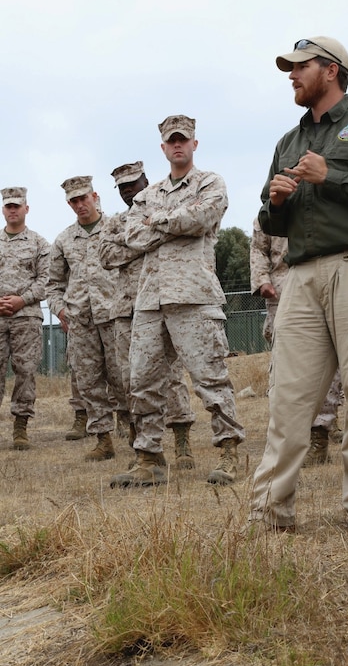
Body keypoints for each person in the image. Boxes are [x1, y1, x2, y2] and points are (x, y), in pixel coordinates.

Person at [249, 36, 348, 534]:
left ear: (332, 70)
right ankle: (270, 509)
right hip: (301, 274)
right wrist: (274, 204)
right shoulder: (287, 143)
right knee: (287, 396)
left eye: (301, 67)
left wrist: (330, 174)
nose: (291, 76)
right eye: (289, 69)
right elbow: (272, 224)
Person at [109, 115, 245, 488]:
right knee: (143, 381)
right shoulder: (146, 195)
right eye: (171, 141)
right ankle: (149, 457)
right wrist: (169, 223)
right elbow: (132, 235)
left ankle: (229, 451)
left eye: (183, 139)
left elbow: (201, 217)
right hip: (150, 301)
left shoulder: (210, 183)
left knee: (210, 379)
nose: (178, 145)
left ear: (194, 144)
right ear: (163, 148)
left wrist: (159, 222)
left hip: (194, 297)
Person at [98, 160, 197, 469]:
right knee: (132, 379)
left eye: (134, 183)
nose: (130, 191)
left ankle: (182, 441)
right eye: (123, 188)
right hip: (127, 310)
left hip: (162, 301)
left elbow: (180, 237)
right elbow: (106, 256)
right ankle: (146, 446)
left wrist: (141, 237)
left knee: (171, 376)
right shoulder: (115, 222)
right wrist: (147, 240)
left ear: (146, 180)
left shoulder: (164, 209)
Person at [250, 217, 344, 465]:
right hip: (281, 292)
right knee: (286, 371)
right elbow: (259, 247)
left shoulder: (328, 192)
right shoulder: (274, 206)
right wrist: (262, 280)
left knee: (329, 369)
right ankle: (290, 437)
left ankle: (320, 434)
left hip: (325, 285)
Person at [47, 176, 128, 461]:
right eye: (74, 201)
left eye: (84, 198)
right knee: (89, 382)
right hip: (80, 321)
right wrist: (60, 310)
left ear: (95, 196)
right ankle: (103, 439)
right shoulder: (64, 240)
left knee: (122, 378)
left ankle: (132, 432)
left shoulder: (117, 227)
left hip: (115, 317)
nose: (80, 205)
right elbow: (53, 283)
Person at [0, 187, 50, 450]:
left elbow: (47, 279)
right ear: (3, 209)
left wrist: (22, 299)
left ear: (26, 209)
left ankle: (20, 427)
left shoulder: (39, 244)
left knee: (25, 372)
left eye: (17, 205)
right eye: (8, 206)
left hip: (27, 316)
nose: (12, 210)